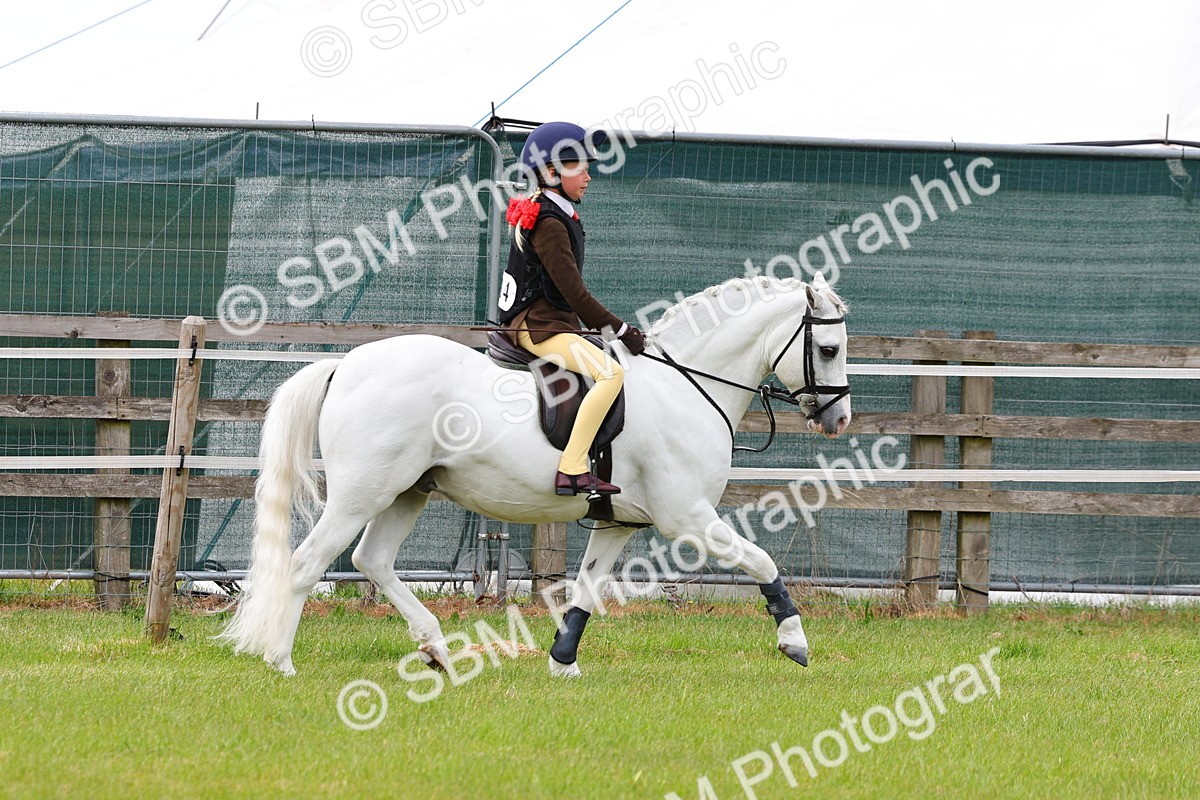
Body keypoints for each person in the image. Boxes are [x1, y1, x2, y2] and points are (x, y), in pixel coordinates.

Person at [496, 122, 645, 497]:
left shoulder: (553, 212)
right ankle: (573, 467)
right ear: (551, 173)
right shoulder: (549, 222)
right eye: (579, 167)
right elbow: (576, 295)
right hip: (541, 328)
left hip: (550, 323)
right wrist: (621, 330)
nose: (588, 177)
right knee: (610, 374)